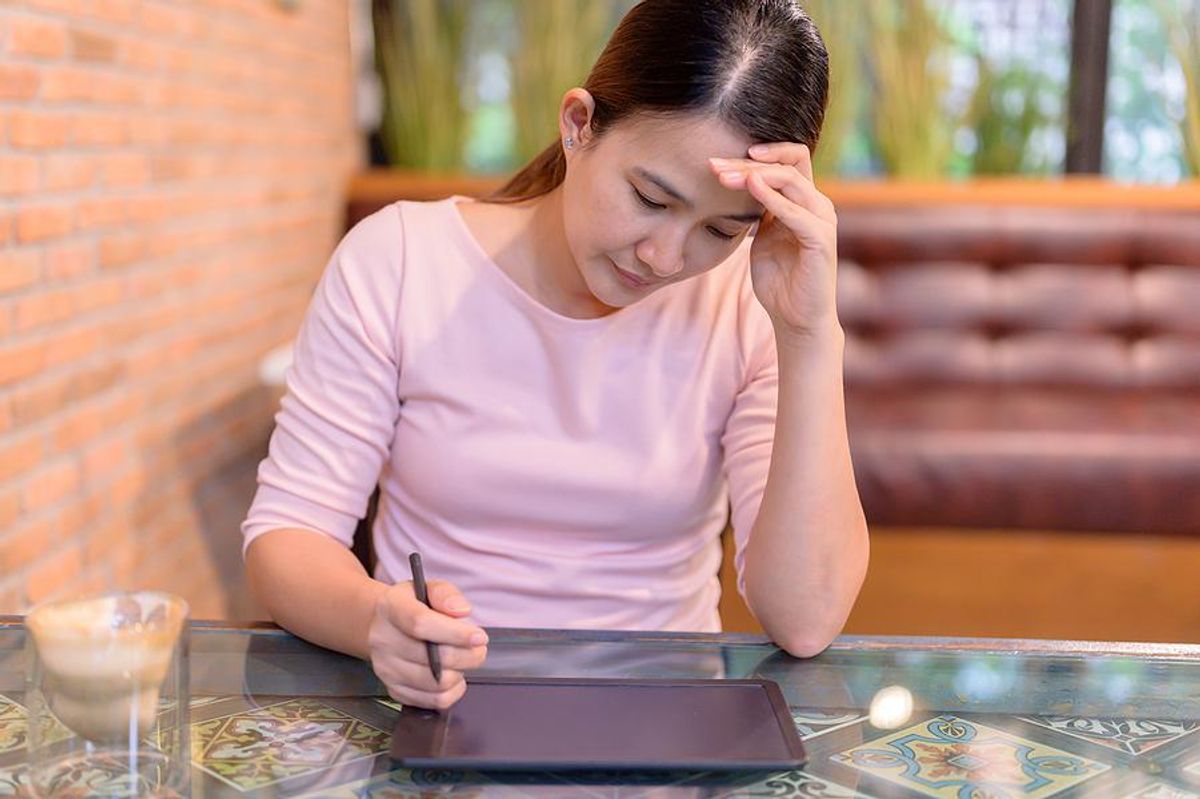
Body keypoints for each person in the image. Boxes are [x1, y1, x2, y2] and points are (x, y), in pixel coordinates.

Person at [242, 0, 869, 711]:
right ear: (579, 124)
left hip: (662, 728)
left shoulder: (745, 307)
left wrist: (810, 335)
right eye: (650, 198)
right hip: (442, 713)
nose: (665, 258)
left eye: (721, 230)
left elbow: (807, 617)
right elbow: (289, 535)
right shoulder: (401, 261)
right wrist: (374, 620)